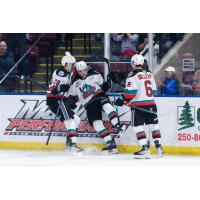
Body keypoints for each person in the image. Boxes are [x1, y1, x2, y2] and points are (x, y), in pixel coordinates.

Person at [68, 61, 126, 153]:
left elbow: (103, 87)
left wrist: (107, 84)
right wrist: (70, 102)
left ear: (87, 68)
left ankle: (119, 126)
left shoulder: (96, 75)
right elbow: (72, 96)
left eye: (84, 70)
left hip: (99, 97)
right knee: (96, 123)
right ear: (77, 71)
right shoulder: (75, 83)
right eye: (80, 71)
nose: (83, 72)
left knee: (107, 106)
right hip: (89, 104)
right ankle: (110, 143)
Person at [115, 54, 164, 159]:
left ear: (133, 63)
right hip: (151, 104)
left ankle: (144, 148)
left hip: (138, 106)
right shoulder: (149, 74)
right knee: (154, 126)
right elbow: (154, 91)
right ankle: (159, 147)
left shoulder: (132, 75)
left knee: (137, 126)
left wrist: (121, 99)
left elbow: (130, 93)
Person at [46, 52, 83, 153]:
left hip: (62, 99)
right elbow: (53, 90)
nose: (73, 66)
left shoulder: (69, 71)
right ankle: (73, 145)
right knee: (70, 120)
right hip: (55, 99)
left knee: (76, 120)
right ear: (66, 65)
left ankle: (69, 144)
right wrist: (60, 88)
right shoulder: (60, 73)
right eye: (71, 64)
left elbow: (75, 72)